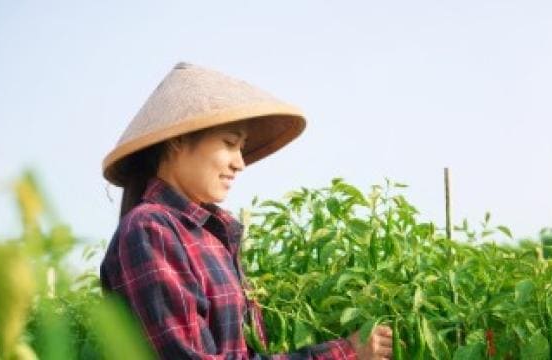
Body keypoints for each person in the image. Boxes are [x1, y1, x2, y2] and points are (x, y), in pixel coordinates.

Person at [99, 62, 394, 359]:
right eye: (229, 144)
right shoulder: (152, 230)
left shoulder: (213, 234)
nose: (239, 162)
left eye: (242, 147)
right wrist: (344, 353)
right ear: (177, 141)